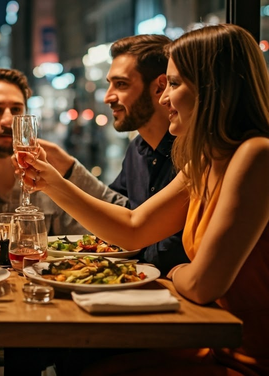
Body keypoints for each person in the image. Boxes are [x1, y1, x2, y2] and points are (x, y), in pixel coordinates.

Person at [23, 24, 269, 376]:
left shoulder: (256, 154)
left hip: (250, 359)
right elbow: (133, 228)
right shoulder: (203, 161)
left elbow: (201, 286)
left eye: (174, 84)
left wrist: (177, 272)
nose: (164, 98)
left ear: (212, 89)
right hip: (215, 346)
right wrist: (51, 181)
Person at [0, 68, 128, 236]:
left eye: (16, 110)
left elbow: (99, 233)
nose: (6, 121)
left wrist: (71, 168)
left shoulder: (48, 169)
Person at [104, 35, 190, 275]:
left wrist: (59, 178)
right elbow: (113, 208)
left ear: (159, 86)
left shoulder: (195, 154)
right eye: (109, 84)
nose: (107, 97)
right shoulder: (136, 149)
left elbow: (135, 232)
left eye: (120, 85)